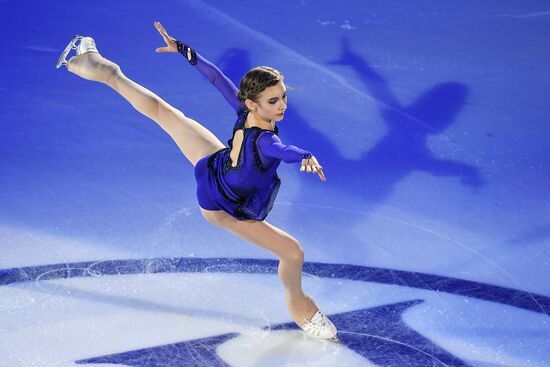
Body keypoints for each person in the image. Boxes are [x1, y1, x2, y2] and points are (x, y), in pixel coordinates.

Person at [56, 21, 337, 341]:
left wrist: (185, 51)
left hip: (215, 169)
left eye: (283, 97)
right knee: (293, 253)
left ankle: (102, 70)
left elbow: (217, 78)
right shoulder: (264, 140)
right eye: (273, 101)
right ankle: (301, 309)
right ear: (253, 103)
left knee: (167, 114)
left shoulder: (243, 111)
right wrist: (305, 156)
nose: (282, 105)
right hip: (222, 206)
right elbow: (282, 150)